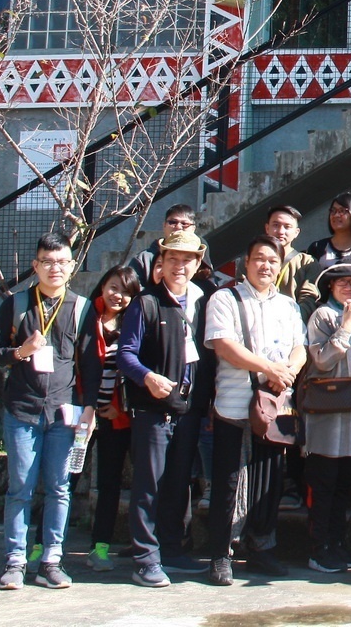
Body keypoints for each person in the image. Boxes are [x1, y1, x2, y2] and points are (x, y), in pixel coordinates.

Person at [0, 233, 93, 591]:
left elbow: (91, 364)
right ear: (36, 266)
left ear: (72, 266)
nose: (55, 269)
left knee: (60, 488)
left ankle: (51, 560)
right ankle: (15, 561)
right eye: (47, 262)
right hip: (22, 411)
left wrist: (89, 408)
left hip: (64, 413)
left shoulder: (80, 307)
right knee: (21, 488)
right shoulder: (16, 305)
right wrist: (21, 350)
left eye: (62, 262)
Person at [204, 235, 308, 586]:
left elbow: (300, 348)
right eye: (259, 259)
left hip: (273, 407)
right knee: (229, 482)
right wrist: (270, 368)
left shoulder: (289, 306)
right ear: (245, 264)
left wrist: (287, 372)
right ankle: (221, 553)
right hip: (234, 406)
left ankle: (262, 547)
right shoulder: (225, 298)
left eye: (273, 261)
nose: (266, 266)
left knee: (269, 482)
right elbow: (224, 346)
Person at [115, 229, 212, 586]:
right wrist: (148, 378)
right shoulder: (146, 302)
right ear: (161, 262)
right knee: (149, 485)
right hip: (153, 412)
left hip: (188, 410)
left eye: (187, 260)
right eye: (173, 259)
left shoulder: (203, 301)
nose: (179, 266)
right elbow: (125, 354)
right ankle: (145, 558)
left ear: (197, 263)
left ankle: (172, 549)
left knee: (179, 485)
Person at [302, 263, 351, 574]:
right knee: (324, 482)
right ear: (330, 287)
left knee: (343, 483)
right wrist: (344, 327)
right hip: (327, 414)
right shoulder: (322, 316)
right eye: (342, 282)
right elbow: (320, 360)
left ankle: (336, 543)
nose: (349, 287)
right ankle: (318, 547)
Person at [83, 265, 142, 572]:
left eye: (127, 291)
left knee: (110, 484)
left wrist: (114, 408)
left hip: (116, 418)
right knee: (62, 481)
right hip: (80, 416)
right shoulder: (84, 317)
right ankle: (43, 546)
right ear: (102, 286)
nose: (118, 295)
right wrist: (89, 406)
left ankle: (99, 548)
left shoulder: (133, 324)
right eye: (113, 287)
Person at [298, 193, 351, 319]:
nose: (336, 215)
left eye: (342, 211)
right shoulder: (317, 247)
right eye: (333, 211)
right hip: (324, 315)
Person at [129, 204, 216, 290]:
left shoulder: (201, 254)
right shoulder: (144, 259)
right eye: (172, 222)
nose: (178, 227)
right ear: (164, 225)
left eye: (184, 223)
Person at [265, 205, 314, 300]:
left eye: (287, 227)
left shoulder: (306, 263)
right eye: (276, 225)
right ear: (267, 228)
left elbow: (308, 299)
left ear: (296, 232)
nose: (281, 231)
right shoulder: (252, 259)